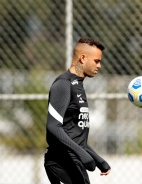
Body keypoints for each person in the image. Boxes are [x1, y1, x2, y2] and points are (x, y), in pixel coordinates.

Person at [44, 37, 111, 184]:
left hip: (74, 162)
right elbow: (53, 126)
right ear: (82, 58)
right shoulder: (63, 84)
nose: (99, 65)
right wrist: (82, 154)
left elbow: (73, 135)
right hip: (61, 163)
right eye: (97, 61)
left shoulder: (78, 85)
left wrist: (98, 160)